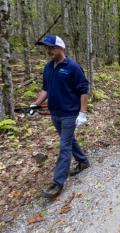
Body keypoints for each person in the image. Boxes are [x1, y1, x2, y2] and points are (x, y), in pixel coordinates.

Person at [32, 35, 90, 198]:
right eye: (47, 48)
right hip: (55, 113)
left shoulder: (72, 67)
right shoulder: (49, 68)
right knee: (69, 140)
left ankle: (58, 182)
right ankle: (83, 161)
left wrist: (82, 113)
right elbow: (46, 89)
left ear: (61, 48)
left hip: (70, 114)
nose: (48, 51)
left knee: (64, 146)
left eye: (51, 48)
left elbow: (83, 89)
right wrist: (35, 104)